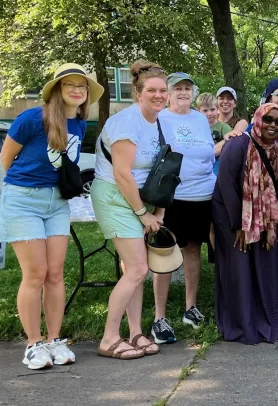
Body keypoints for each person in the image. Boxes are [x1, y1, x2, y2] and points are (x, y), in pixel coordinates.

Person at [0, 63, 102, 369]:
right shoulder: (32, 118)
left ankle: (55, 340)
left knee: (55, 273)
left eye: (82, 86)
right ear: (57, 89)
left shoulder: (80, 124)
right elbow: (6, 159)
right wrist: (29, 189)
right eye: (69, 84)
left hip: (57, 203)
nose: (76, 90)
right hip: (23, 200)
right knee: (35, 273)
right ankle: (33, 344)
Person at [91, 60, 171, 360]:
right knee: (138, 268)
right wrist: (142, 214)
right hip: (115, 196)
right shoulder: (126, 122)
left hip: (141, 200)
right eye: (151, 90)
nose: (159, 95)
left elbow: (165, 169)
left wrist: (159, 211)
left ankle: (135, 332)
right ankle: (109, 337)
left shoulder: (158, 122)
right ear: (138, 93)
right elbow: (123, 174)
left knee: (133, 269)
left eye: (163, 90)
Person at [212, 103, 278, 344]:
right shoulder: (237, 145)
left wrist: (272, 223)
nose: (273, 125)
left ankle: (272, 321)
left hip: (266, 217)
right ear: (257, 119)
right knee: (240, 266)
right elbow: (226, 185)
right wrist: (239, 225)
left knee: (267, 261)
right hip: (231, 216)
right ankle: (243, 324)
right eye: (268, 119)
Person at [150, 72, 216, 344]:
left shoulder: (200, 119)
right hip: (171, 197)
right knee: (164, 255)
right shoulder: (159, 118)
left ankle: (191, 309)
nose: (183, 93)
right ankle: (159, 318)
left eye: (188, 88)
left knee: (192, 250)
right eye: (177, 88)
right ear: (167, 92)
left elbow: (210, 152)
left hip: (203, 195)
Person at [195, 93, 232, 174]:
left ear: (217, 109)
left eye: (212, 109)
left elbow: (231, 143)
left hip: (218, 159)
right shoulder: (195, 128)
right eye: (205, 110)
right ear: (198, 111)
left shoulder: (223, 127)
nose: (209, 113)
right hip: (200, 159)